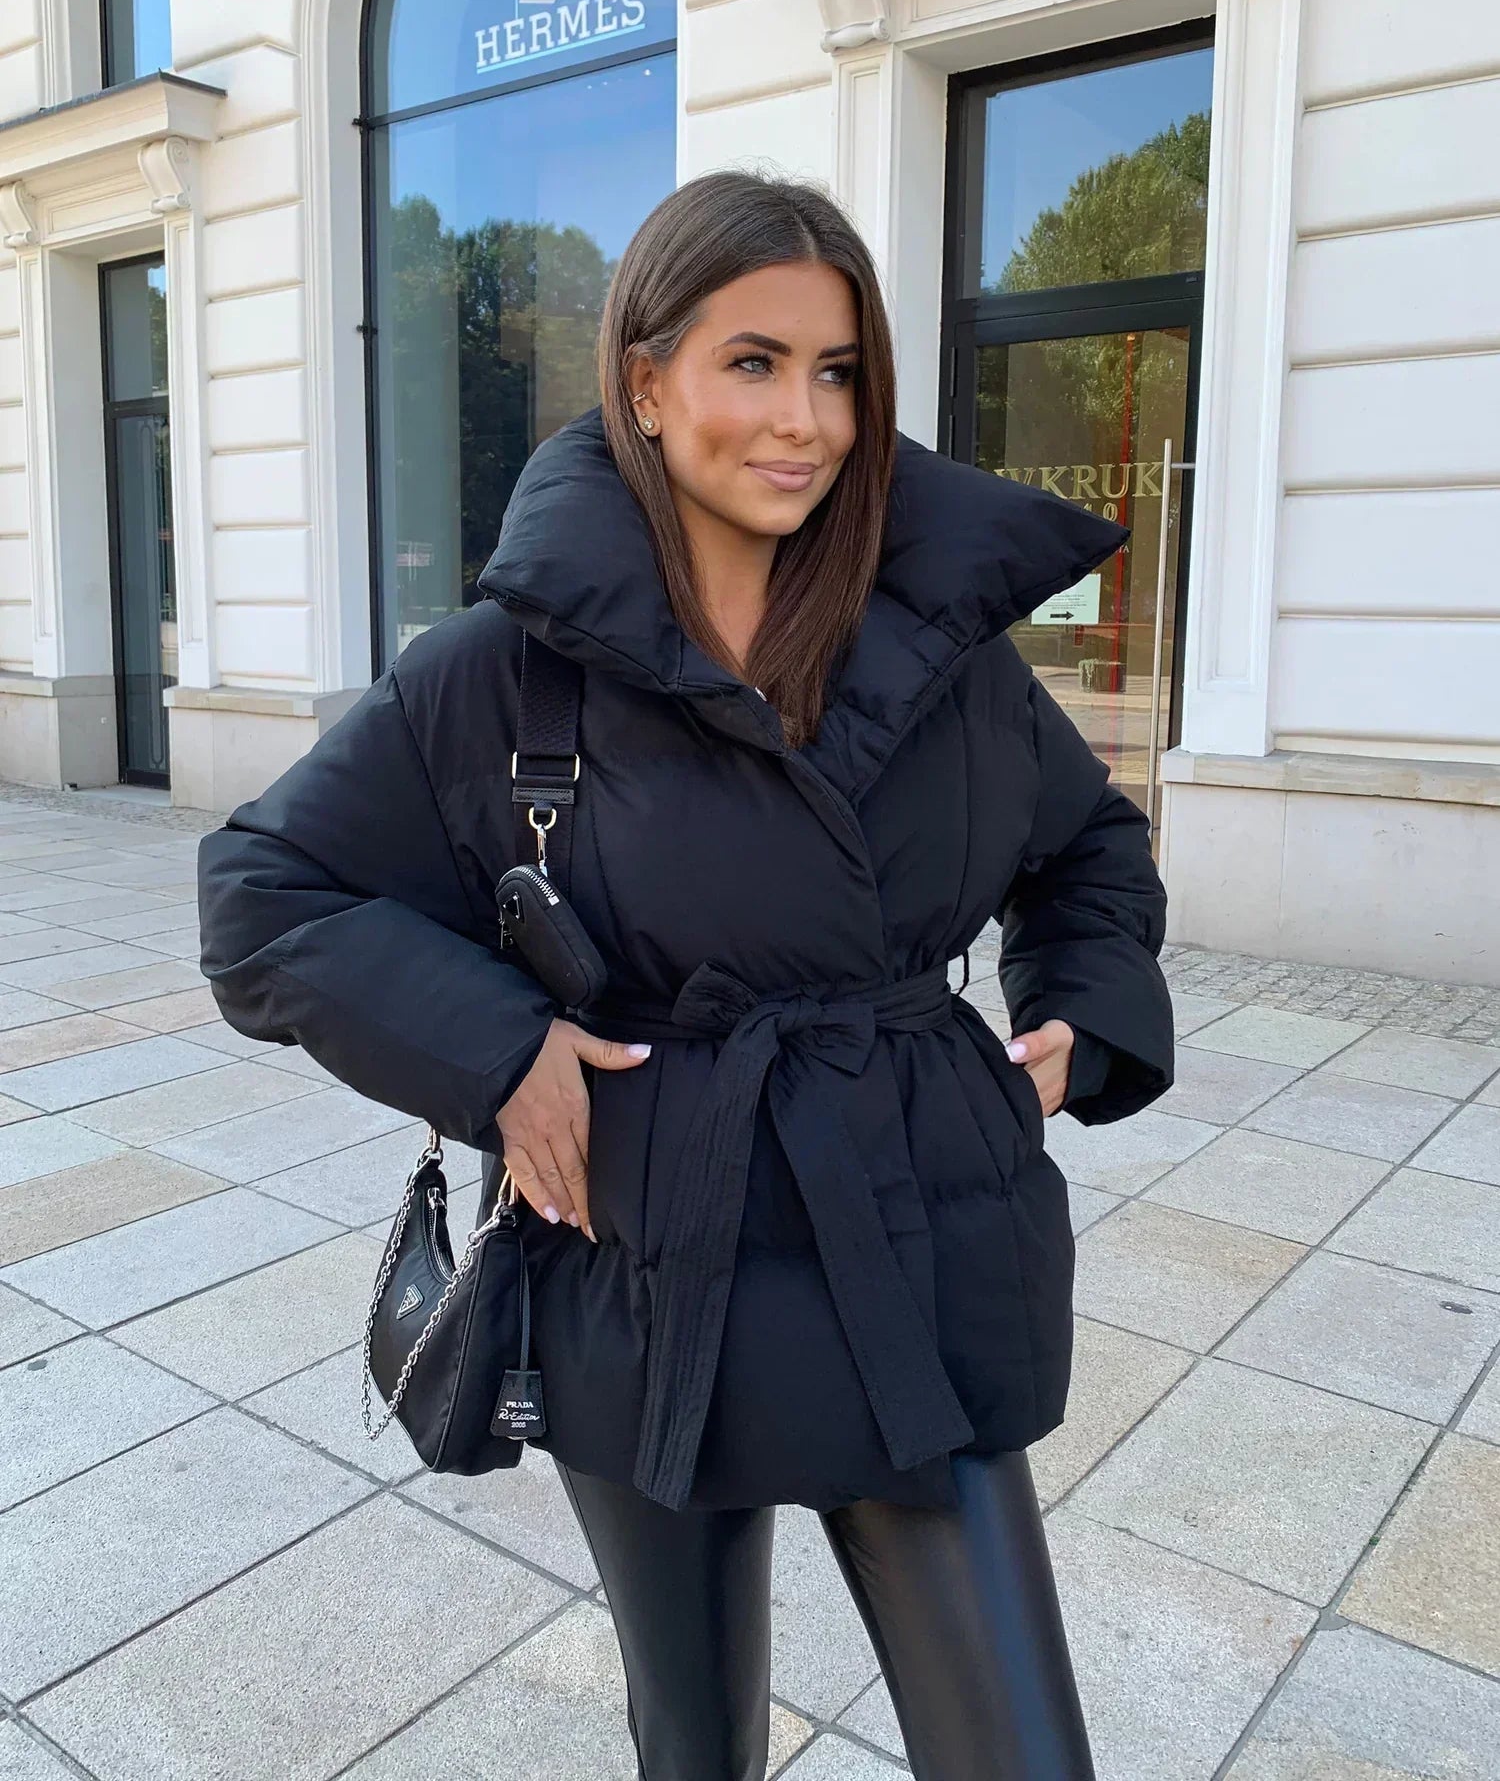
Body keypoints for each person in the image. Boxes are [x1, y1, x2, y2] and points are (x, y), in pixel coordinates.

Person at [197, 168, 1174, 1781]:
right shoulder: (503, 674)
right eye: (753, 363)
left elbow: (1092, 850)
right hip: (647, 1262)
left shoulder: (948, 652)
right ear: (646, 383)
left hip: (912, 1236)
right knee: (695, 1741)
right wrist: (500, 1052)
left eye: (838, 371)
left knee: (1017, 1751)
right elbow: (260, 895)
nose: (805, 420)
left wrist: (1083, 1007)